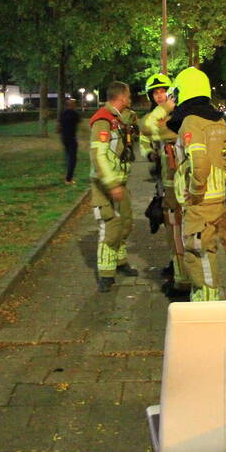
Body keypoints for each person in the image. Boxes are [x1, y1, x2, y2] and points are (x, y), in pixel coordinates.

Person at [168, 67, 226, 302]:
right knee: (207, 248)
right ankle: (205, 299)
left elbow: (198, 160)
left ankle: (208, 304)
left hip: (200, 202)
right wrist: (220, 175)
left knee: (198, 252)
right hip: (216, 199)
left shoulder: (191, 122)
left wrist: (196, 191)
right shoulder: (217, 121)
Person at [139, 72, 189, 295]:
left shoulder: (175, 114)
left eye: (162, 92)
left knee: (177, 222)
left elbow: (150, 128)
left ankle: (182, 272)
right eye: (155, 93)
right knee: (170, 223)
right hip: (163, 176)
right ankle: (176, 264)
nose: (159, 96)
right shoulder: (155, 115)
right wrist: (149, 153)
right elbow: (144, 139)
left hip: (178, 178)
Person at [89, 81, 138, 293]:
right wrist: (111, 184)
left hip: (120, 183)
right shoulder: (103, 121)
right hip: (105, 186)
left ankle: (120, 262)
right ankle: (105, 275)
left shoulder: (120, 118)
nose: (130, 98)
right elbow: (98, 156)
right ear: (121, 96)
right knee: (109, 229)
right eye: (128, 95)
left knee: (125, 223)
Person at [57, 98, 81, 184]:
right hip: (72, 138)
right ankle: (68, 179)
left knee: (68, 156)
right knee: (73, 159)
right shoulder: (75, 114)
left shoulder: (62, 113)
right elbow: (80, 124)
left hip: (64, 138)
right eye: (74, 104)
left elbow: (58, 127)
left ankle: (68, 174)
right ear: (72, 105)